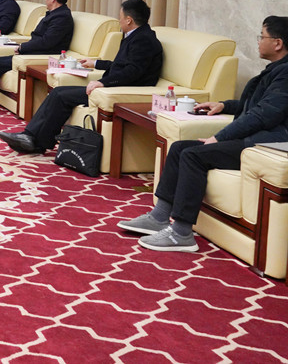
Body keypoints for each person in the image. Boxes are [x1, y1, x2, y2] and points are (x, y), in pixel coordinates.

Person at [119, 16, 288, 253]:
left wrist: (219, 137)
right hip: (255, 139)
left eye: (262, 36)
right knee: (179, 148)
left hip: (264, 146)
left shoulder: (285, 74)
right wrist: (224, 105)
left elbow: (263, 115)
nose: (259, 41)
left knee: (193, 155)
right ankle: (159, 217)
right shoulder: (277, 70)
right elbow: (256, 105)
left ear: (278, 43)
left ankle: (181, 233)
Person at [0, 0, 163, 154]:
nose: (119, 21)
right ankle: (32, 137)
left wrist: (103, 83)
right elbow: (121, 65)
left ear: (129, 20)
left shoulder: (144, 40)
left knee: (61, 95)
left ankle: (34, 140)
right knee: (58, 92)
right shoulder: (136, 36)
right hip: (114, 85)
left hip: (121, 90)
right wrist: (95, 63)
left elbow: (132, 72)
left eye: (120, 17)